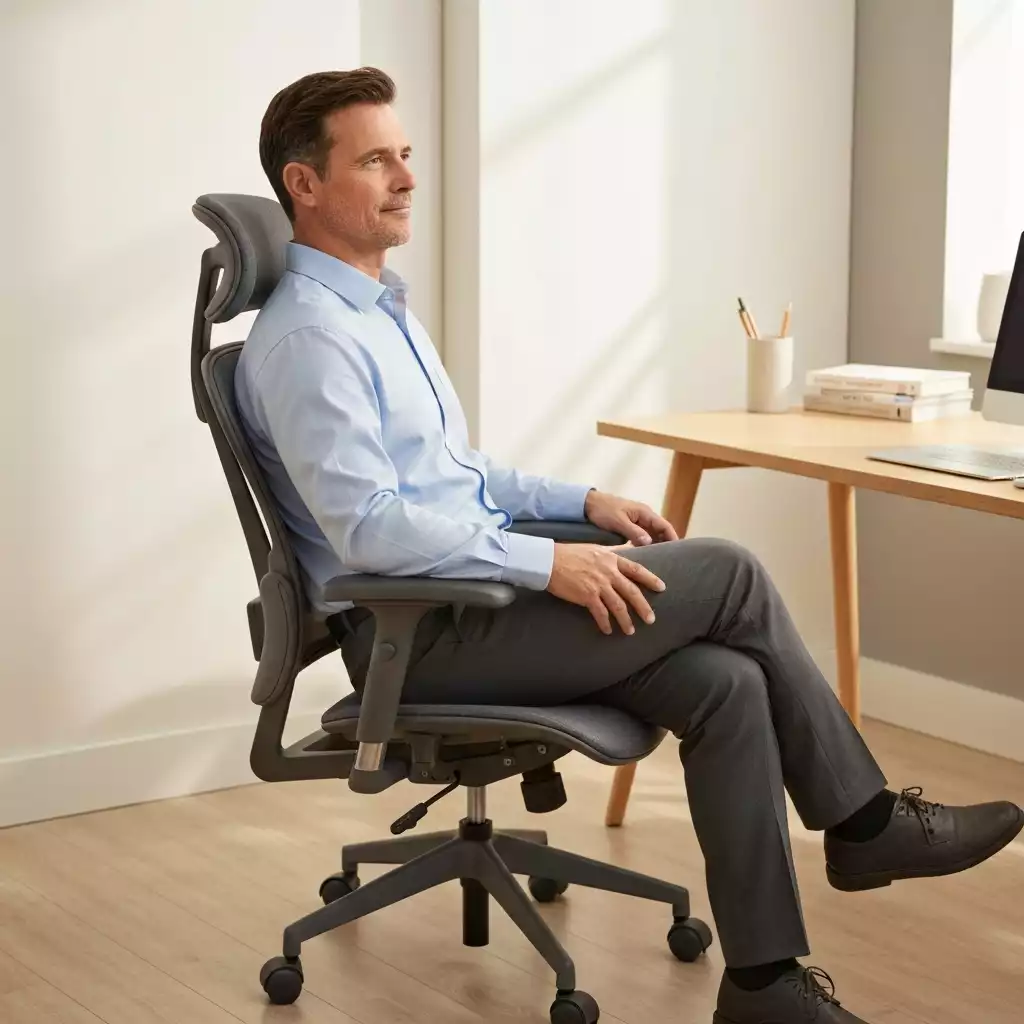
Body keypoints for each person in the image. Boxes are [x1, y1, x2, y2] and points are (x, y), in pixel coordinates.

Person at [234, 67, 1023, 1024]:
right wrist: (546, 561)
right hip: (424, 630)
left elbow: (457, 475)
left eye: (405, 154)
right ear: (303, 186)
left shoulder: (376, 309)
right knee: (728, 569)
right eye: (374, 160)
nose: (405, 176)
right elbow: (371, 528)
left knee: (726, 686)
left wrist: (584, 501)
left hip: (470, 601)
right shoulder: (311, 339)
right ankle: (863, 822)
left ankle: (765, 987)